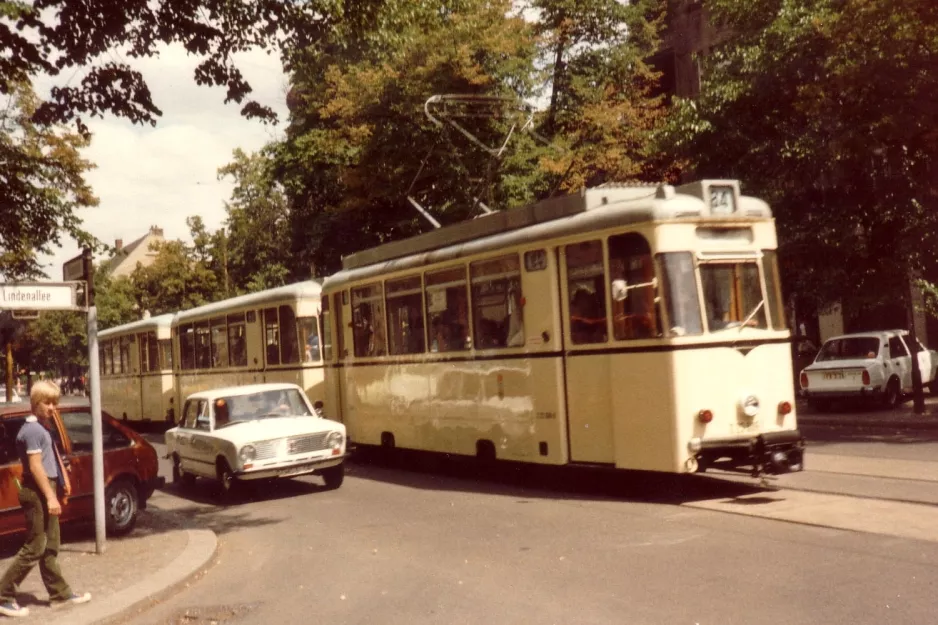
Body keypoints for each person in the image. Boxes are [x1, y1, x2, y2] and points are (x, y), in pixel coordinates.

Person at [0, 381, 91, 618]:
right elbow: (35, 466)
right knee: (35, 546)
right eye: (47, 403)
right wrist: (51, 497)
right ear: (35, 404)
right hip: (37, 491)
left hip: (47, 488)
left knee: (51, 545)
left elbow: (53, 459)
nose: (52, 408)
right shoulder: (32, 430)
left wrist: (63, 483)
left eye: (55, 403)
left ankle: (59, 594)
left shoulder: (43, 427)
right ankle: (3, 595)